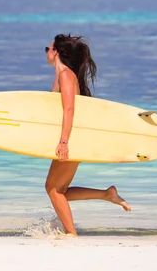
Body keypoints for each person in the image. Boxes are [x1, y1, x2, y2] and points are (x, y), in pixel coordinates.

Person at [44, 33, 131, 236]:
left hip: (71, 139)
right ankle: (107, 194)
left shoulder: (66, 75)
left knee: (53, 189)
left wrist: (64, 142)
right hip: (71, 138)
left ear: (56, 52)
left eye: (47, 48)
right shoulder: (62, 76)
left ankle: (71, 234)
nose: (46, 52)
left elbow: (69, 110)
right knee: (60, 190)